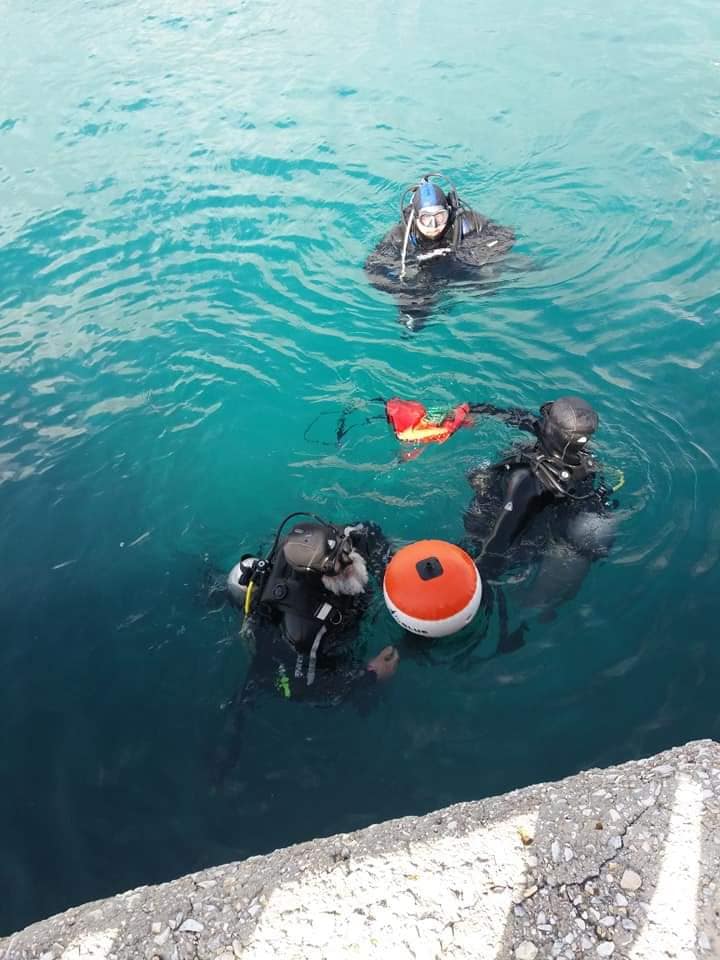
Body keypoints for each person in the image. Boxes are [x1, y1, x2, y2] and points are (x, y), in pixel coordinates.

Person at [462, 396, 620, 639]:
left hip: (525, 543)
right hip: (563, 523)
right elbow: (520, 418)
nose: (541, 419)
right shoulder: (583, 460)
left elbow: (498, 544)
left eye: (546, 417)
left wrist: (474, 579)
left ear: (550, 429)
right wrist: (473, 409)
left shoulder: (526, 480)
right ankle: (540, 608)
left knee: (480, 502)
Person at [365, 173, 516, 330]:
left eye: (440, 216)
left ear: (448, 211)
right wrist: (402, 286)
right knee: (412, 313)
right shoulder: (400, 236)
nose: (433, 225)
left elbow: (505, 236)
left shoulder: (466, 222)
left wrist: (470, 255)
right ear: (415, 216)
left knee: (500, 277)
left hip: (462, 264)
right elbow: (373, 269)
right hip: (425, 274)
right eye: (426, 218)